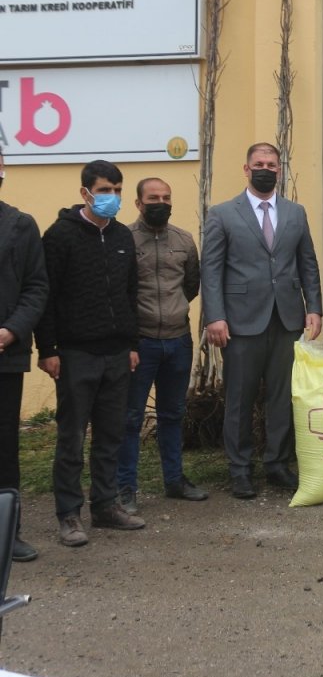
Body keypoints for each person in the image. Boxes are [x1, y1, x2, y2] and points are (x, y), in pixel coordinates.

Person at [202, 143, 323, 499]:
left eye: (272, 164)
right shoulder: (222, 214)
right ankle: (239, 470)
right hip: (239, 322)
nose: (266, 169)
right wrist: (215, 317)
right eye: (259, 164)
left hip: (286, 318)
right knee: (239, 397)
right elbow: (211, 271)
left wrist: (313, 306)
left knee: (282, 395)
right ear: (246, 168)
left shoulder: (295, 213)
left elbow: (308, 263)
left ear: (280, 169)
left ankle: (276, 464)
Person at [36, 160, 144, 547]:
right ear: (85, 193)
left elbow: (130, 294)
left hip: (117, 354)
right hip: (75, 353)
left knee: (110, 436)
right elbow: (45, 297)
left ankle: (105, 505)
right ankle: (68, 515)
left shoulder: (121, 236)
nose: (112, 198)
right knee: (71, 438)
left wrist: (132, 345)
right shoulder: (60, 236)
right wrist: (47, 349)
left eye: (117, 190)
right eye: (104, 190)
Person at [117, 177, 207, 514]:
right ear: (138, 203)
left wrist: (172, 312)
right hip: (140, 343)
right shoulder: (123, 239)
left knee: (173, 414)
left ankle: (175, 480)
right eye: (153, 198)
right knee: (130, 418)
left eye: (167, 197)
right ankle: (125, 488)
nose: (161, 203)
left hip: (178, 341)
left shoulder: (184, 240)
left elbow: (191, 286)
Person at [0, 144, 49, 560]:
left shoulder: (20, 225)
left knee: (3, 446)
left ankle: (7, 533)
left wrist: (11, 330)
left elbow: (36, 287)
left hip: (4, 354)